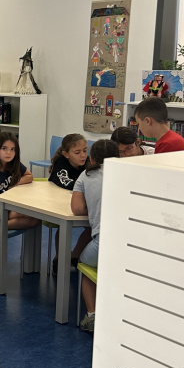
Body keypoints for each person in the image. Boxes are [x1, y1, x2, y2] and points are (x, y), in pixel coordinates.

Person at [71, 140, 119, 332]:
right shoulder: (128, 174)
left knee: (84, 262)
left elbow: (77, 210)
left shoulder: (86, 175)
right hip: (128, 243)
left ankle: (92, 315)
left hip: (103, 243)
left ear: (92, 158)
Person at [0, 132, 39, 230]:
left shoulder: (13, 163)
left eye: (13, 149)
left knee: (35, 219)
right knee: (30, 212)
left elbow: (29, 176)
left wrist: (14, 183)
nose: (9, 153)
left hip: (5, 205)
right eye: (4, 148)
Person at [48, 133, 91, 275]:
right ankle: (59, 259)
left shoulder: (89, 162)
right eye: (77, 152)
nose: (83, 155)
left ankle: (74, 256)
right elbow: (64, 182)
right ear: (66, 154)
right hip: (56, 202)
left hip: (77, 202)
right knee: (63, 226)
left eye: (85, 150)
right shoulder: (61, 163)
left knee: (92, 227)